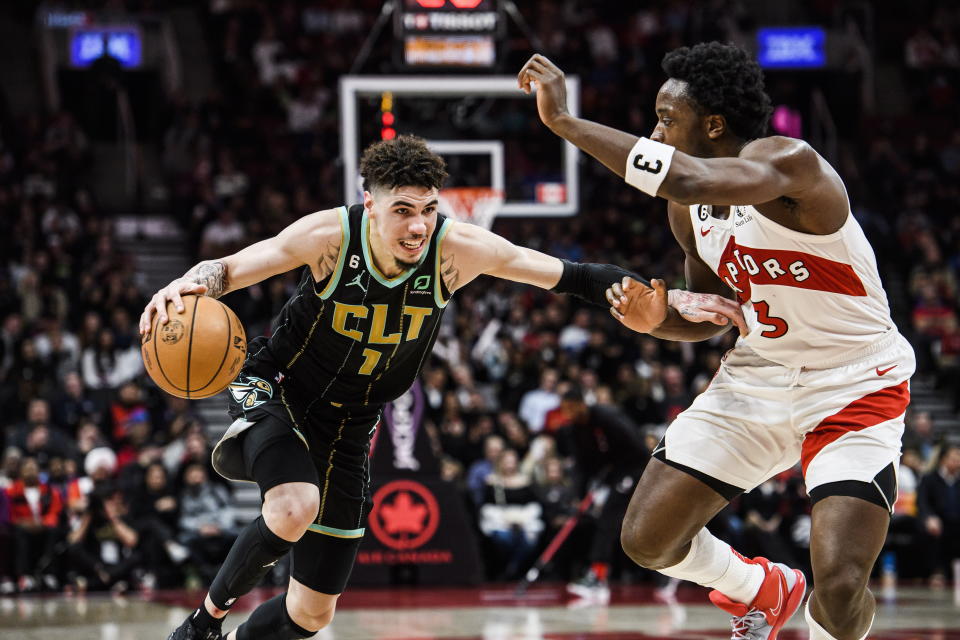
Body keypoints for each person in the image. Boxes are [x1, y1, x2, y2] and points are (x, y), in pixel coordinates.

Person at [139, 135, 739, 640]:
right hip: (276, 389)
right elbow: (236, 268)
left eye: (427, 208)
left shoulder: (457, 250)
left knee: (311, 612)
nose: (419, 224)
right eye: (403, 209)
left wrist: (666, 295)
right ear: (369, 204)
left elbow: (571, 276)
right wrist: (183, 287)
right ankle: (201, 625)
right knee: (294, 507)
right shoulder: (330, 236)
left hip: (351, 424)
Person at [519, 42, 915, 640]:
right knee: (647, 540)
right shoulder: (688, 210)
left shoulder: (791, 164)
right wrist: (660, 319)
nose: (654, 132)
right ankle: (763, 589)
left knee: (837, 590)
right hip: (756, 377)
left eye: (666, 119)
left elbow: (689, 172)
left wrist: (565, 123)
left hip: (852, 383)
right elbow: (716, 314)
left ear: (713, 125)